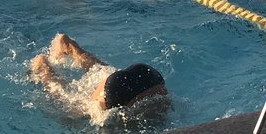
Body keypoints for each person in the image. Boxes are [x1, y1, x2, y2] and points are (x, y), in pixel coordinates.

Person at [30, 33, 168, 115]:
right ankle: (42, 65)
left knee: (97, 74)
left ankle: (69, 48)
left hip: (122, 84)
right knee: (73, 103)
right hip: (149, 76)